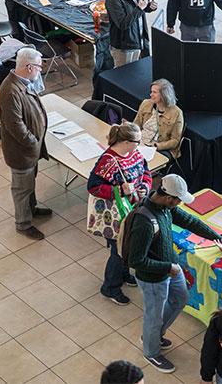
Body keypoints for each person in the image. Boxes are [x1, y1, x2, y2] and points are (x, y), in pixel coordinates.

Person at [128, 174, 222, 373]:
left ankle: (154, 335)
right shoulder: (144, 221)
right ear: (169, 197)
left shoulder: (166, 207)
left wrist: (217, 238)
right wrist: (167, 268)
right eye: (178, 200)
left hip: (171, 267)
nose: (179, 204)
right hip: (154, 276)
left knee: (180, 298)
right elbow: (136, 261)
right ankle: (151, 352)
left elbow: (189, 221)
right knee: (153, 315)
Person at [87, 122, 153, 306]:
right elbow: (93, 186)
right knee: (119, 251)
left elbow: (146, 173)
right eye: (137, 141)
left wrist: (144, 188)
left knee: (126, 249)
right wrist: (120, 190)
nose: (140, 144)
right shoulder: (107, 161)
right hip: (116, 216)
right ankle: (110, 287)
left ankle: (124, 275)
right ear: (125, 142)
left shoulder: (134, 153)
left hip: (132, 212)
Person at [0, 48, 50, 241]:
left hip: (31, 149)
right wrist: (32, 141)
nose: (40, 70)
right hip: (22, 151)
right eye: (39, 66)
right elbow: (15, 126)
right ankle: (23, 224)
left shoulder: (23, 82)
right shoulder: (10, 90)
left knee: (29, 183)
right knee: (22, 189)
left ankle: (32, 209)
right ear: (29, 67)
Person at [106, 0, 158, 68]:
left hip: (137, 40)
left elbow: (142, 5)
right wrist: (139, 8)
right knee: (123, 77)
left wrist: (149, 7)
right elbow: (122, 24)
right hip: (124, 47)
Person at [133, 78, 184, 160]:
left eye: (154, 92)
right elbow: (136, 125)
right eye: (151, 91)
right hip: (141, 143)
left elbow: (175, 141)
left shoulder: (176, 113)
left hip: (160, 147)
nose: (151, 95)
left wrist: (157, 146)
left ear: (164, 95)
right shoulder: (145, 103)